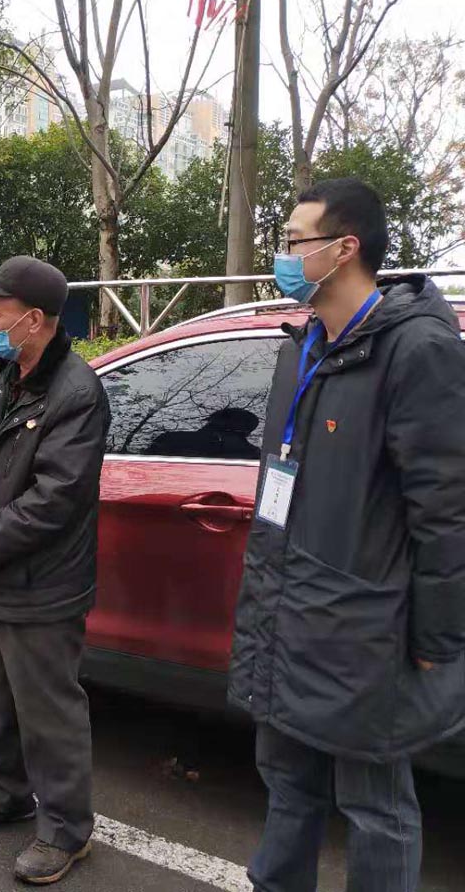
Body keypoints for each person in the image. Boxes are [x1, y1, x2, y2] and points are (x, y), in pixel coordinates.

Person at [229, 178, 465, 892]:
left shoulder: (417, 349)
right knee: (287, 781)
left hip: (367, 627)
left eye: (294, 242)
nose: (283, 256)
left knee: (376, 805)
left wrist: (437, 638)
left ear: (344, 248)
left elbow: (446, 511)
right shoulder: (302, 345)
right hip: (289, 609)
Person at [0, 255, 110, 886]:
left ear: (33, 320)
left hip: (41, 585)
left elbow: (56, 497)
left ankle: (66, 828)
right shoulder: (3, 377)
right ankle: (7, 792)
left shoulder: (77, 392)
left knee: (48, 710)